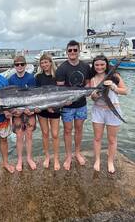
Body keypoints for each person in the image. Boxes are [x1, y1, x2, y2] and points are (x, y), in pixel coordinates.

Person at [56, 40, 91, 170]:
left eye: (75, 50)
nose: (72, 52)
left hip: (81, 104)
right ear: (67, 52)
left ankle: (77, 153)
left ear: (79, 51)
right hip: (67, 106)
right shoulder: (61, 68)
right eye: (70, 50)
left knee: (79, 129)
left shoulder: (85, 66)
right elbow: (60, 90)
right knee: (67, 131)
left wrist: (89, 91)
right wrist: (65, 100)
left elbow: (87, 83)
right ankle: (68, 156)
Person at [90, 55, 128, 173]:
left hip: (113, 110)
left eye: (102, 64)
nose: (99, 67)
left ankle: (110, 161)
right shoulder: (93, 79)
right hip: (98, 111)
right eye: (97, 65)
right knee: (97, 138)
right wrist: (94, 96)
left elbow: (125, 91)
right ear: (94, 66)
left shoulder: (115, 76)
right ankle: (97, 160)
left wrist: (113, 87)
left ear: (106, 64)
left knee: (112, 139)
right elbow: (93, 97)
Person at [8, 55, 36, 171]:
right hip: (17, 112)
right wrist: (13, 111)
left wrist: (32, 109)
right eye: (17, 64)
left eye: (22, 64)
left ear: (25, 65)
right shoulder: (11, 79)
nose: (19, 66)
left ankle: (29, 158)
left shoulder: (31, 78)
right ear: (14, 66)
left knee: (29, 135)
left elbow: (35, 96)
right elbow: (9, 97)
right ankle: (19, 159)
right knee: (19, 136)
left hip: (29, 110)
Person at [35, 54, 60, 170]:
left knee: (55, 134)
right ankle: (47, 157)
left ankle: (56, 158)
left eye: (46, 62)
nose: (44, 65)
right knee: (45, 134)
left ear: (51, 62)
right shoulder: (38, 77)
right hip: (42, 110)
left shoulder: (57, 75)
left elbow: (61, 94)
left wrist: (53, 106)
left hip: (55, 108)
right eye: (42, 63)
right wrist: (44, 107)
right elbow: (36, 95)